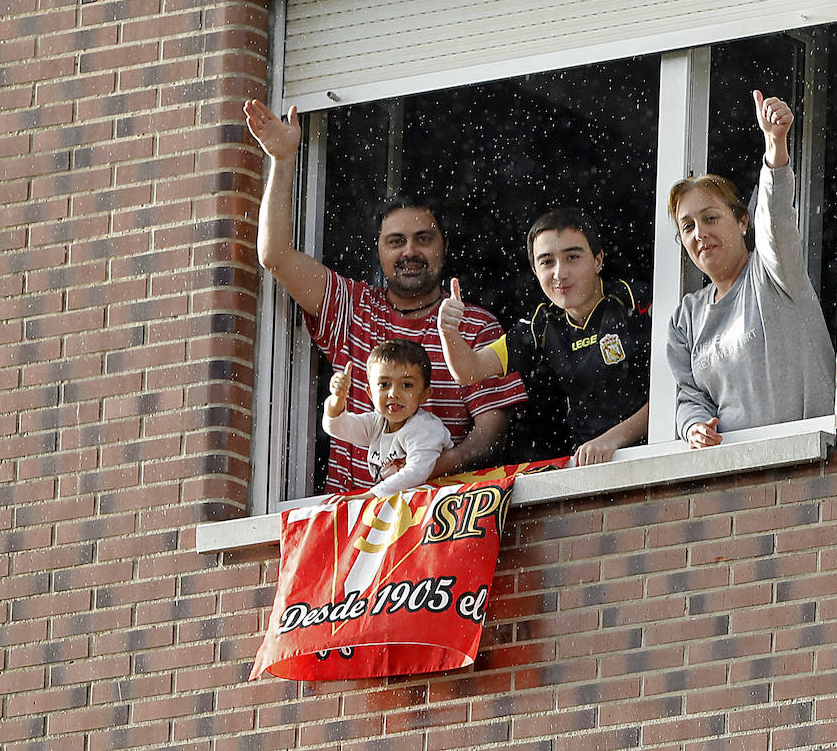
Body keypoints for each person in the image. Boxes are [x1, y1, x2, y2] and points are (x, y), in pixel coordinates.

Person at [245, 99, 527, 494]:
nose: (409, 251)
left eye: (423, 239)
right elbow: (274, 256)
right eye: (396, 241)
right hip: (351, 523)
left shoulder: (473, 323)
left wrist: (422, 472)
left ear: (443, 247)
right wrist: (283, 159)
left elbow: (490, 436)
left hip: (436, 523)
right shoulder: (354, 309)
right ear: (378, 250)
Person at [666, 92, 835, 449]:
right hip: (735, 475)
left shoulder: (774, 272)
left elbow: (775, 217)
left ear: (743, 221)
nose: (701, 234)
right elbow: (690, 397)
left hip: (807, 458)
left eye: (711, 218)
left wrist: (775, 145)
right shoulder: (686, 317)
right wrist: (694, 427)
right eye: (688, 227)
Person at [438, 208, 649, 466]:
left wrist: (612, 441)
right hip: (589, 465)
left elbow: (675, 390)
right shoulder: (543, 323)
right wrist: (448, 332)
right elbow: (469, 370)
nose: (560, 273)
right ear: (535, 271)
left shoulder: (634, 301)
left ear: (598, 260)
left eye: (572, 257)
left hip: (653, 453)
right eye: (547, 261)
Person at [322, 341, 453, 500]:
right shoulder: (376, 422)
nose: (393, 393)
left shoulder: (426, 428)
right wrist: (337, 400)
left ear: (425, 394)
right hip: (403, 506)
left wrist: (370, 495)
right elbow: (338, 427)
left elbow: (416, 473)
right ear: (370, 393)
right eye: (384, 384)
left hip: (438, 506)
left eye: (406, 385)